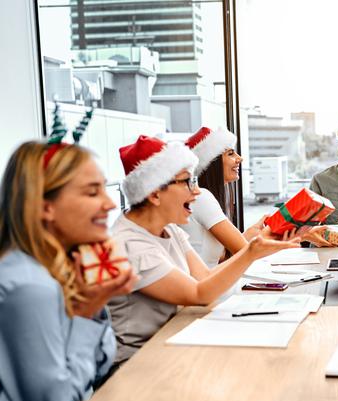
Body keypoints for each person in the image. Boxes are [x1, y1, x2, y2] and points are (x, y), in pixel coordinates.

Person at [108, 135, 300, 364]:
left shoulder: (169, 229)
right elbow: (199, 294)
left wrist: (255, 248)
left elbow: (205, 277)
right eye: (187, 182)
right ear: (154, 193)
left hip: (171, 342)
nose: (196, 192)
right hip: (138, 365)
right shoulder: (130, 247)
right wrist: (250, 253)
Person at [0, 130, 135, 401]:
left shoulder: (54, 271)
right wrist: (88, 311)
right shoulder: (30, 286)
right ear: (46, 207)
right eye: (92, 192)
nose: (108, 203)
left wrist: (93, 303)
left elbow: (100, 364)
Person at [180, 126, 265, 267]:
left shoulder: (207, 198)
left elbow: (223, 260)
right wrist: (274, 233)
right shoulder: (202, 197)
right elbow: (245, 251)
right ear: (212, 163)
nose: (240, 158)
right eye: (231, 154)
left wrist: (251, 233)